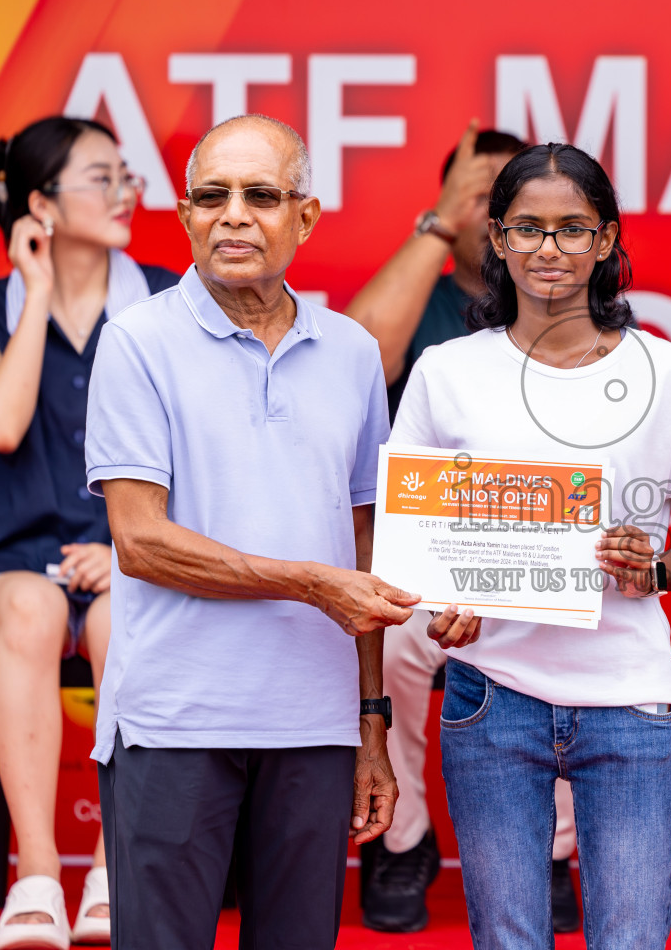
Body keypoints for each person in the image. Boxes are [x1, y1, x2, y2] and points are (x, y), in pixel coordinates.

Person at [83, 114, 419, 950]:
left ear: (304, 218)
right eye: (212, 196)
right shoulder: (136, 342)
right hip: (173, 720)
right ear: (186, 219)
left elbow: (365, 547)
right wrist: (310, 582)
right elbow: (141, 542)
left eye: (260, 196)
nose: (234, 215)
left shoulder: (350, 354)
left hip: (316, 724)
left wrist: (370, 722)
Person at [389, 142, 671, 949]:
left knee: (631, 940)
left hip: (629, 696)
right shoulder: (445, 372)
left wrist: (653, 568)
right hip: (490, 695)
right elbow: (411, 544)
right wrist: (444, 608)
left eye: (572, 229)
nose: (549, 248)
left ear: (606, 240)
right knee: (507, 939)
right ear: (497, 240)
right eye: (528, 229)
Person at [0, 116, 177, 950]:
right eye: (102, 178)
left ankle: (113, 872)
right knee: (38, 612)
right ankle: (37, 879)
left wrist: (129, 549)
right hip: (10, 562)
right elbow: (0, 428)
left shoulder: (164, 298)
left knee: (125, 617)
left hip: (129, 556)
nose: (125, 194)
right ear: (41, 203)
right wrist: (36, 294)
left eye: (126, 177)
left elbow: (195, 454)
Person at [346, 123, 582, 933]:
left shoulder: (575, 311)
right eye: (475, 196)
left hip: (542, 551)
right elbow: (357, 368)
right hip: (431, 555)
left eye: (505, 198)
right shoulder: (433, 304)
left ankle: (548, 852)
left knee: (568, 628)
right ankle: (400, 839)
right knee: (401, 635)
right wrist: (441, 223)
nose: (492, 212)